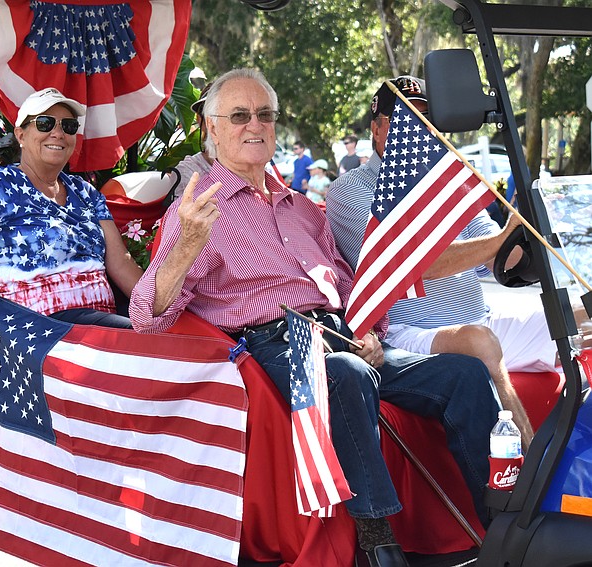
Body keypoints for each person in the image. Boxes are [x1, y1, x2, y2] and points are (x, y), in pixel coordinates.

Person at [129, 68, 499, 567]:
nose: (254, 124)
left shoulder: (302, 208)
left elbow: (345, 281)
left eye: (264, 114)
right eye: (239, 116)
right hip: (275, 345)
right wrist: (187, 245)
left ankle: (495, 520)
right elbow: (146, 316)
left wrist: (368, 327)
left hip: (341, 335)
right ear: (212, 127)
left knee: (465, 374)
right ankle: (377, 540)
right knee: (343, 374)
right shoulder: (197, 211)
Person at [325, 75, 540, 448]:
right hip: (408, 332)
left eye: (429, 120)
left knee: (579, 315)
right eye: (408, 120)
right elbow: (413, 264)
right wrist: (501, 239)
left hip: (480, 319)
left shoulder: (449, 182)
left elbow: (502, 258)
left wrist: (529, 229)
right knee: (480, 342)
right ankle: (529, 468)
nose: (421, 130)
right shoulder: (350, 190)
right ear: (377, 129)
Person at [0, 88, 143, 328]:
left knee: (157, 336)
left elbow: (121, 263)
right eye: (45, 123)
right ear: (21, 135)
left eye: (68, 126)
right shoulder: (3, 183)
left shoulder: (86, 193)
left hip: (95, 329)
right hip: (38, 330)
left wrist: (164, 313)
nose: (58, 133)